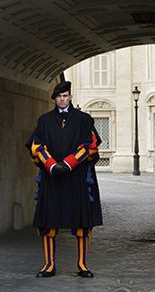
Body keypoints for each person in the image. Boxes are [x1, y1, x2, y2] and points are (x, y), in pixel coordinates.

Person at [25, 80, 103, 278]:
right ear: (54, 99)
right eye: (59, 96)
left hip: (76, 178)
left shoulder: (84, 120)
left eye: (65, 96)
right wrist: (51, 165)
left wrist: (68, 163)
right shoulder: (44, 121)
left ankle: (82, 264)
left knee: (81, 223)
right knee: (49, 222)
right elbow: (37, 146)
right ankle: (49, 264)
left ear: (70, 97)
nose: (62, 99)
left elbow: (89, 146)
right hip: (52, 178)